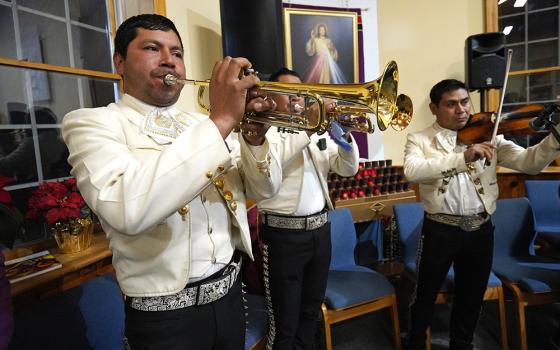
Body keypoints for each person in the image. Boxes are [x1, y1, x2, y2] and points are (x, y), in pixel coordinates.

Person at [61, 14, 282, 350]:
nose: (170, 61)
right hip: (166, 321)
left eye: (177, 53)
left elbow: (264, 191)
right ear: (119, 62)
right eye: (152, 48)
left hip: (230, 298)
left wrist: (253, 139)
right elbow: (129, 211)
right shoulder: (93, 123)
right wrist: (221, 120)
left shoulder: (200, 123)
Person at [403, 79, 560, 350]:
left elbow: (529, 163)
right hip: (440, 229)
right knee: (425, 294)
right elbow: (413, 171)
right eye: (451, 104)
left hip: (480, 229)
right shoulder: (420, 139)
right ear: (434, 108)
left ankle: (461, 345)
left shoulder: (492, 136)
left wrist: (555, 136)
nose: (461, 110)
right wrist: (463, 157)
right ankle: (415, 342)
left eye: (465, 102)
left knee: (471, 296)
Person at [251, 67, 359, 349]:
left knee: (310, 312)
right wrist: (310, 129)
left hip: (320, 232)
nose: (297, 98)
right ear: (271, 96)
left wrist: (345, 138)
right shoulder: (263, 132)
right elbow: (269, 169)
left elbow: (347, 169)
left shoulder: (314, 129)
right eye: (289, 93)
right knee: (284, 320)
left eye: (300, 92)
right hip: (283, 237)